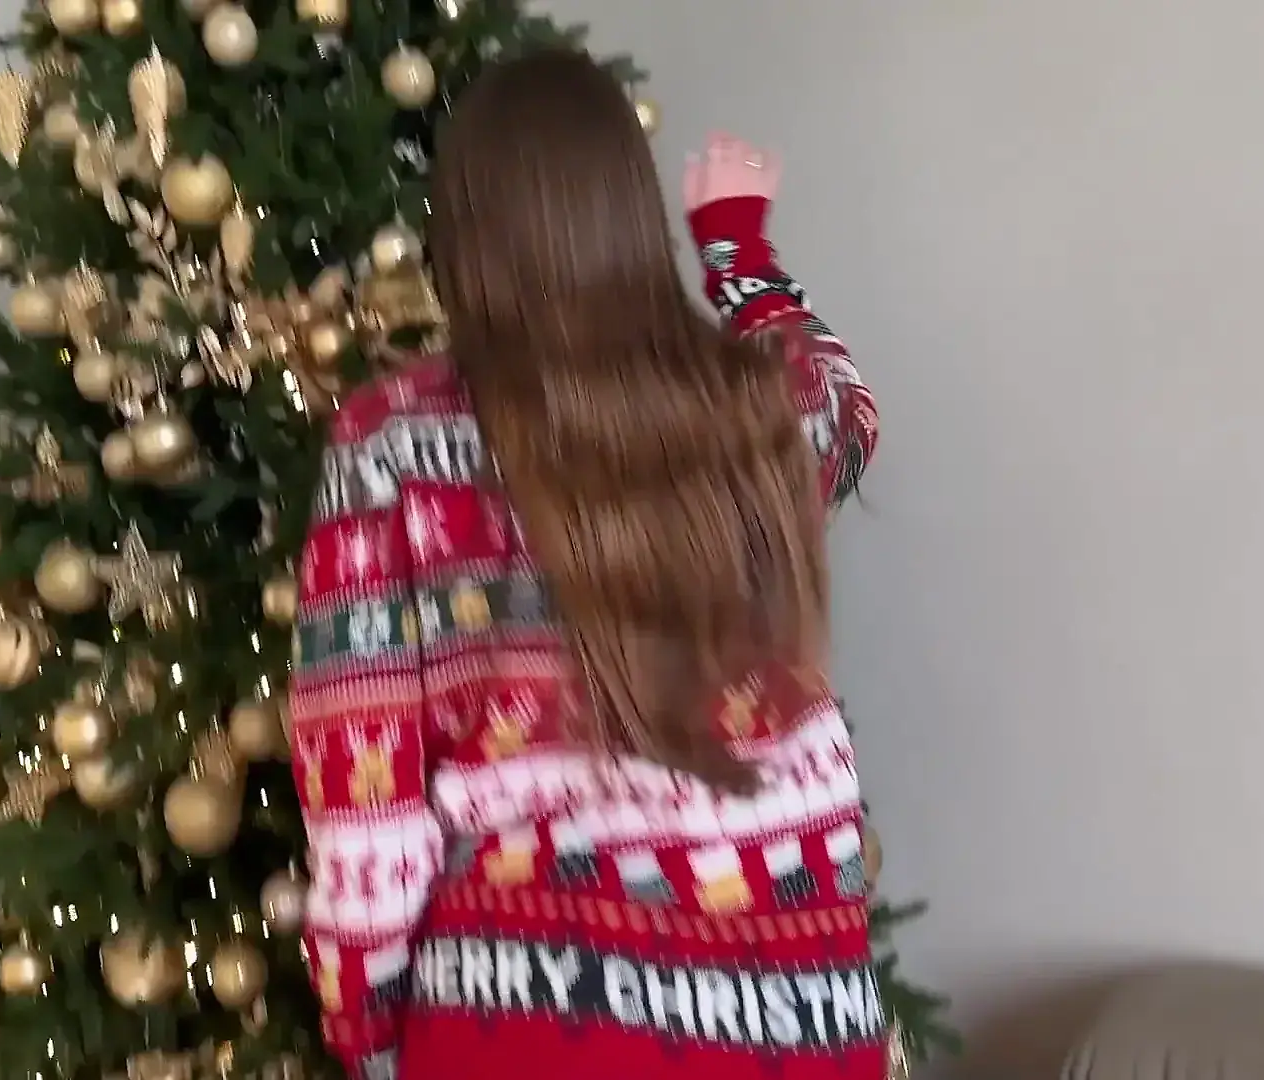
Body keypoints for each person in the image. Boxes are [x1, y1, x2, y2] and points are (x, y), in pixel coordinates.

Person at [288, 49, 882, 1080]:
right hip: (793, 1016)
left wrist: (370, 1039)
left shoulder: (391, 443)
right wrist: (736, 246)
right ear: (628, 216)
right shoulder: (755, 410)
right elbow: (846, 407)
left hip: (518, 1024)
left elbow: (365, 810)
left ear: (461, 235)